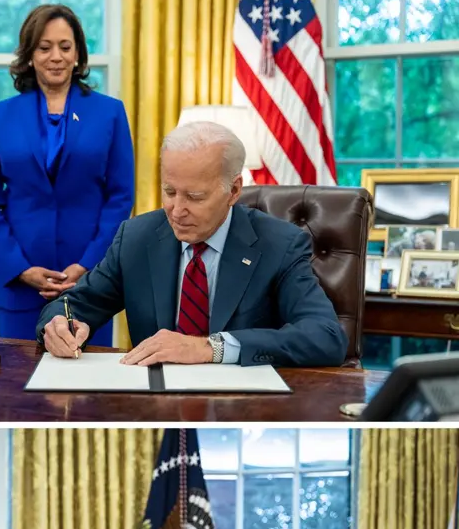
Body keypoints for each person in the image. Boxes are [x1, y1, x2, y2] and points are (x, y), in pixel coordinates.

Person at [37, 121, 348, 368]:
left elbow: (326, 337)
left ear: (234, 190)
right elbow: (72, 304)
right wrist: (58, 325)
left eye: (195, 197)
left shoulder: (280, 244)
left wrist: (210, 348)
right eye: (170, 192)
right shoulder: (136, 237)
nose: (177, 209)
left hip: (245, 406)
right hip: (154, 404)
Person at [0, 4, 134, 345]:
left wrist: (89, 263)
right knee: (17, 390)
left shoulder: (110, 113)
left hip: (89, 282)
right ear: (30, 55)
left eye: (65, 46)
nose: (55, 56)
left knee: (90, 389)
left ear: (78, 55)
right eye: (44, 47)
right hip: (20, 284)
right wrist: (19, 268)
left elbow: (120, 198)